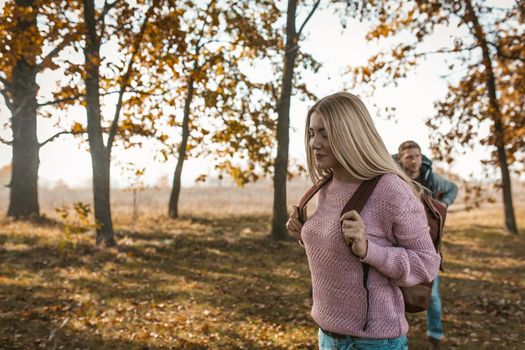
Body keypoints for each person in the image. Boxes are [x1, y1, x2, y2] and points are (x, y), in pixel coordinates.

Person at [286, 92, 441, 350]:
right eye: (312, 133)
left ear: (351, 134)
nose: (315, 143)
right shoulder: (327, 184)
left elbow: (426, 264)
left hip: (372, 341)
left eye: (325, 133)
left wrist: (370, 250)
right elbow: (339, 253)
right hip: (327, 335)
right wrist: (305, 236)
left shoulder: (390, 189)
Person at [394, 141, 459, 350]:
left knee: (432, 297)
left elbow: (452, 188)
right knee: (394, 293)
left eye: (418, 156)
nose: (415, 161)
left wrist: (443, 205)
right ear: (400, 158)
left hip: (427, 245)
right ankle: (396, 334)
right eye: (409, 157)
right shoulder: (392, 177)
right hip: (397, 244)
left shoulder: (430, 177)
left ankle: (434, 337)